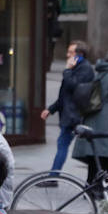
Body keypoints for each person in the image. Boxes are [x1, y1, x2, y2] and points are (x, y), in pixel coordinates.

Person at [72, 48, 108, 182]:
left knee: (95, 160)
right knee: (106, 158)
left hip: (94, 118)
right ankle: (98, 190)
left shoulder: (101, 72)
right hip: (107, 122)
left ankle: (91, 190)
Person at [41, 40, 95, 171]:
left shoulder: (85, 68)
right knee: (64, 145)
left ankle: (53, 176)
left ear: (79, 54)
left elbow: (74, 86)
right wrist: (51, 109)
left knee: (64, 145)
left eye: (71, 52)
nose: (67, 55)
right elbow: (65, 96)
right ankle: (53, 176)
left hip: (74, 115)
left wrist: (67, 70)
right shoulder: (75, 68)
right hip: (69, 114)